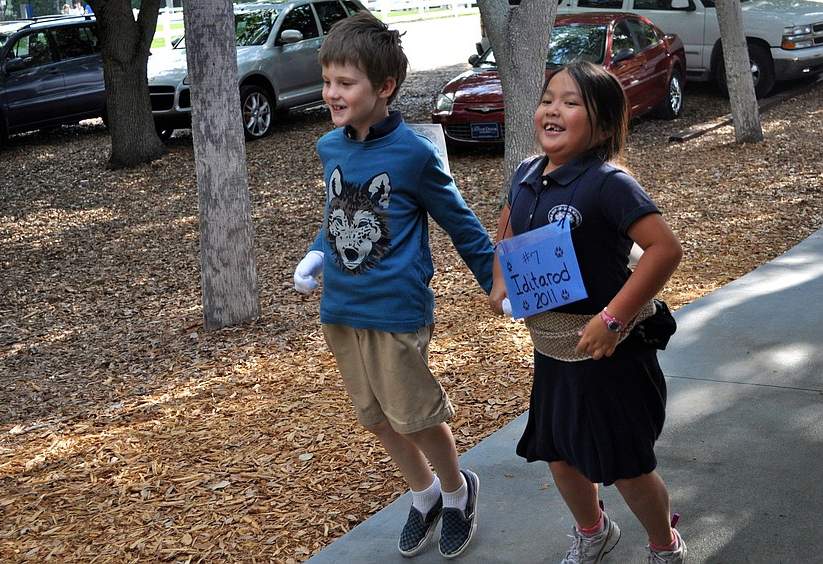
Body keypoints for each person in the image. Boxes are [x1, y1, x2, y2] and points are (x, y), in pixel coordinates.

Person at [293, 12, 494, 559]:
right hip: (341, 308)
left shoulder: (414, 154)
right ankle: (424, 494)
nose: (332, 93)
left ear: (384, 87)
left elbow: (462, 223)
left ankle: (457, 492)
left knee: (418, 418)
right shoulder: (332, 148)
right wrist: (317, 252)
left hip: (397, 311)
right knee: (378, 419)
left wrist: (497, 283)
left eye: (345, 83)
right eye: (328, 80)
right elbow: (337, 210)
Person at [489, 61, 686, 564]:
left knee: (626, 467)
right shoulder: (526, 174)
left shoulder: (608, 183)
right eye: (548, 98)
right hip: (553, 354)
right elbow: (507, 234)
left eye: (571, 102)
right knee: (559, 457)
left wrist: (614, 319)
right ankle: (594, 531)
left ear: (601, 124)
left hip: (609, 354)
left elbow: (664, 249)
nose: (553, 109)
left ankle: (665, 545)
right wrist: (498, 281)